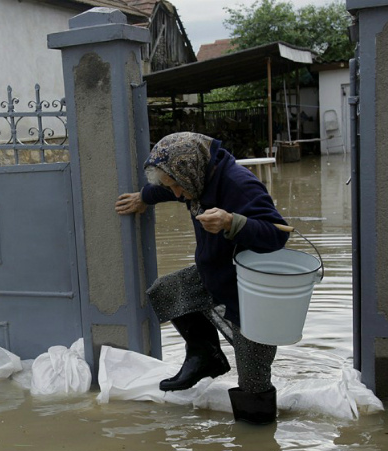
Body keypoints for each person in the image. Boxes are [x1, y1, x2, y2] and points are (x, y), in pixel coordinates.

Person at [115, 132, 289, 425]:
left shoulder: (239, 184)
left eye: (177, 186)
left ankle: (257, 450)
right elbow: (173, 189)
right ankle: (204, 357)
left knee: (253, 386)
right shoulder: (196, 178)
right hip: (214, 274)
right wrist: (144, 197)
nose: (179, 195)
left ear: (190, 171)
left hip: (249, 295)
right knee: (167, 290)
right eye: (173, 186)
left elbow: (276, 233)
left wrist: (231, 222)